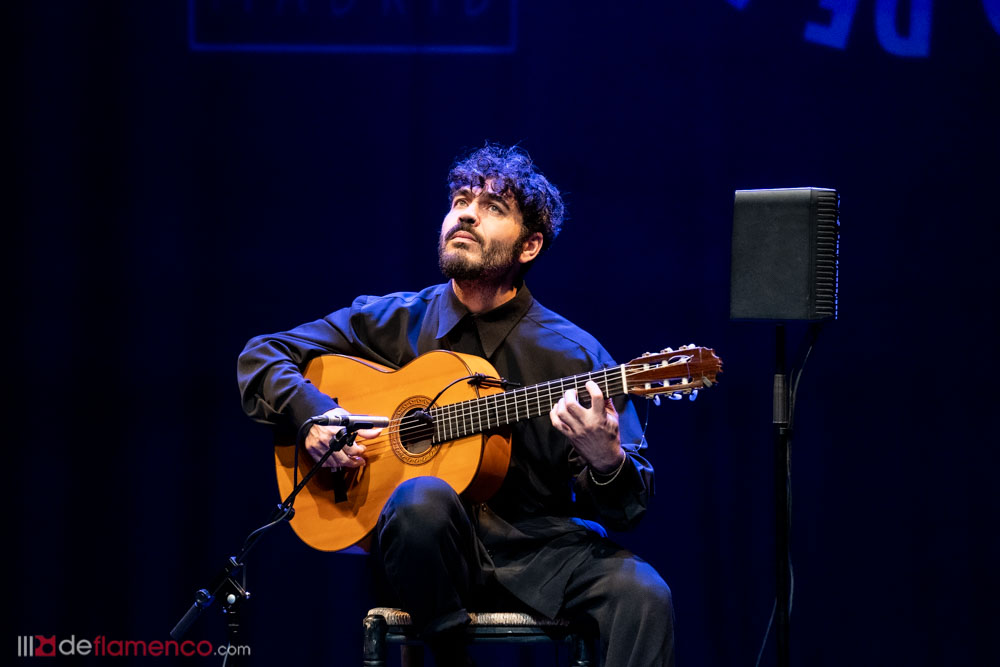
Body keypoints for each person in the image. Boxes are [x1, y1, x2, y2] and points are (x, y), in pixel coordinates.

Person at [237, 144, 675, 666]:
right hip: (428, 557)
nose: (466, 214)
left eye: (493, 207)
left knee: (646, 595)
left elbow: (628, 508)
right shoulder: (395, 320)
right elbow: (263, 353)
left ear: (530, 245)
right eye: (460, 200)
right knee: (421, 498)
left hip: (540, 550)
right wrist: (313, 413)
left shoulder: (575, 356)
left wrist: (607, 460)